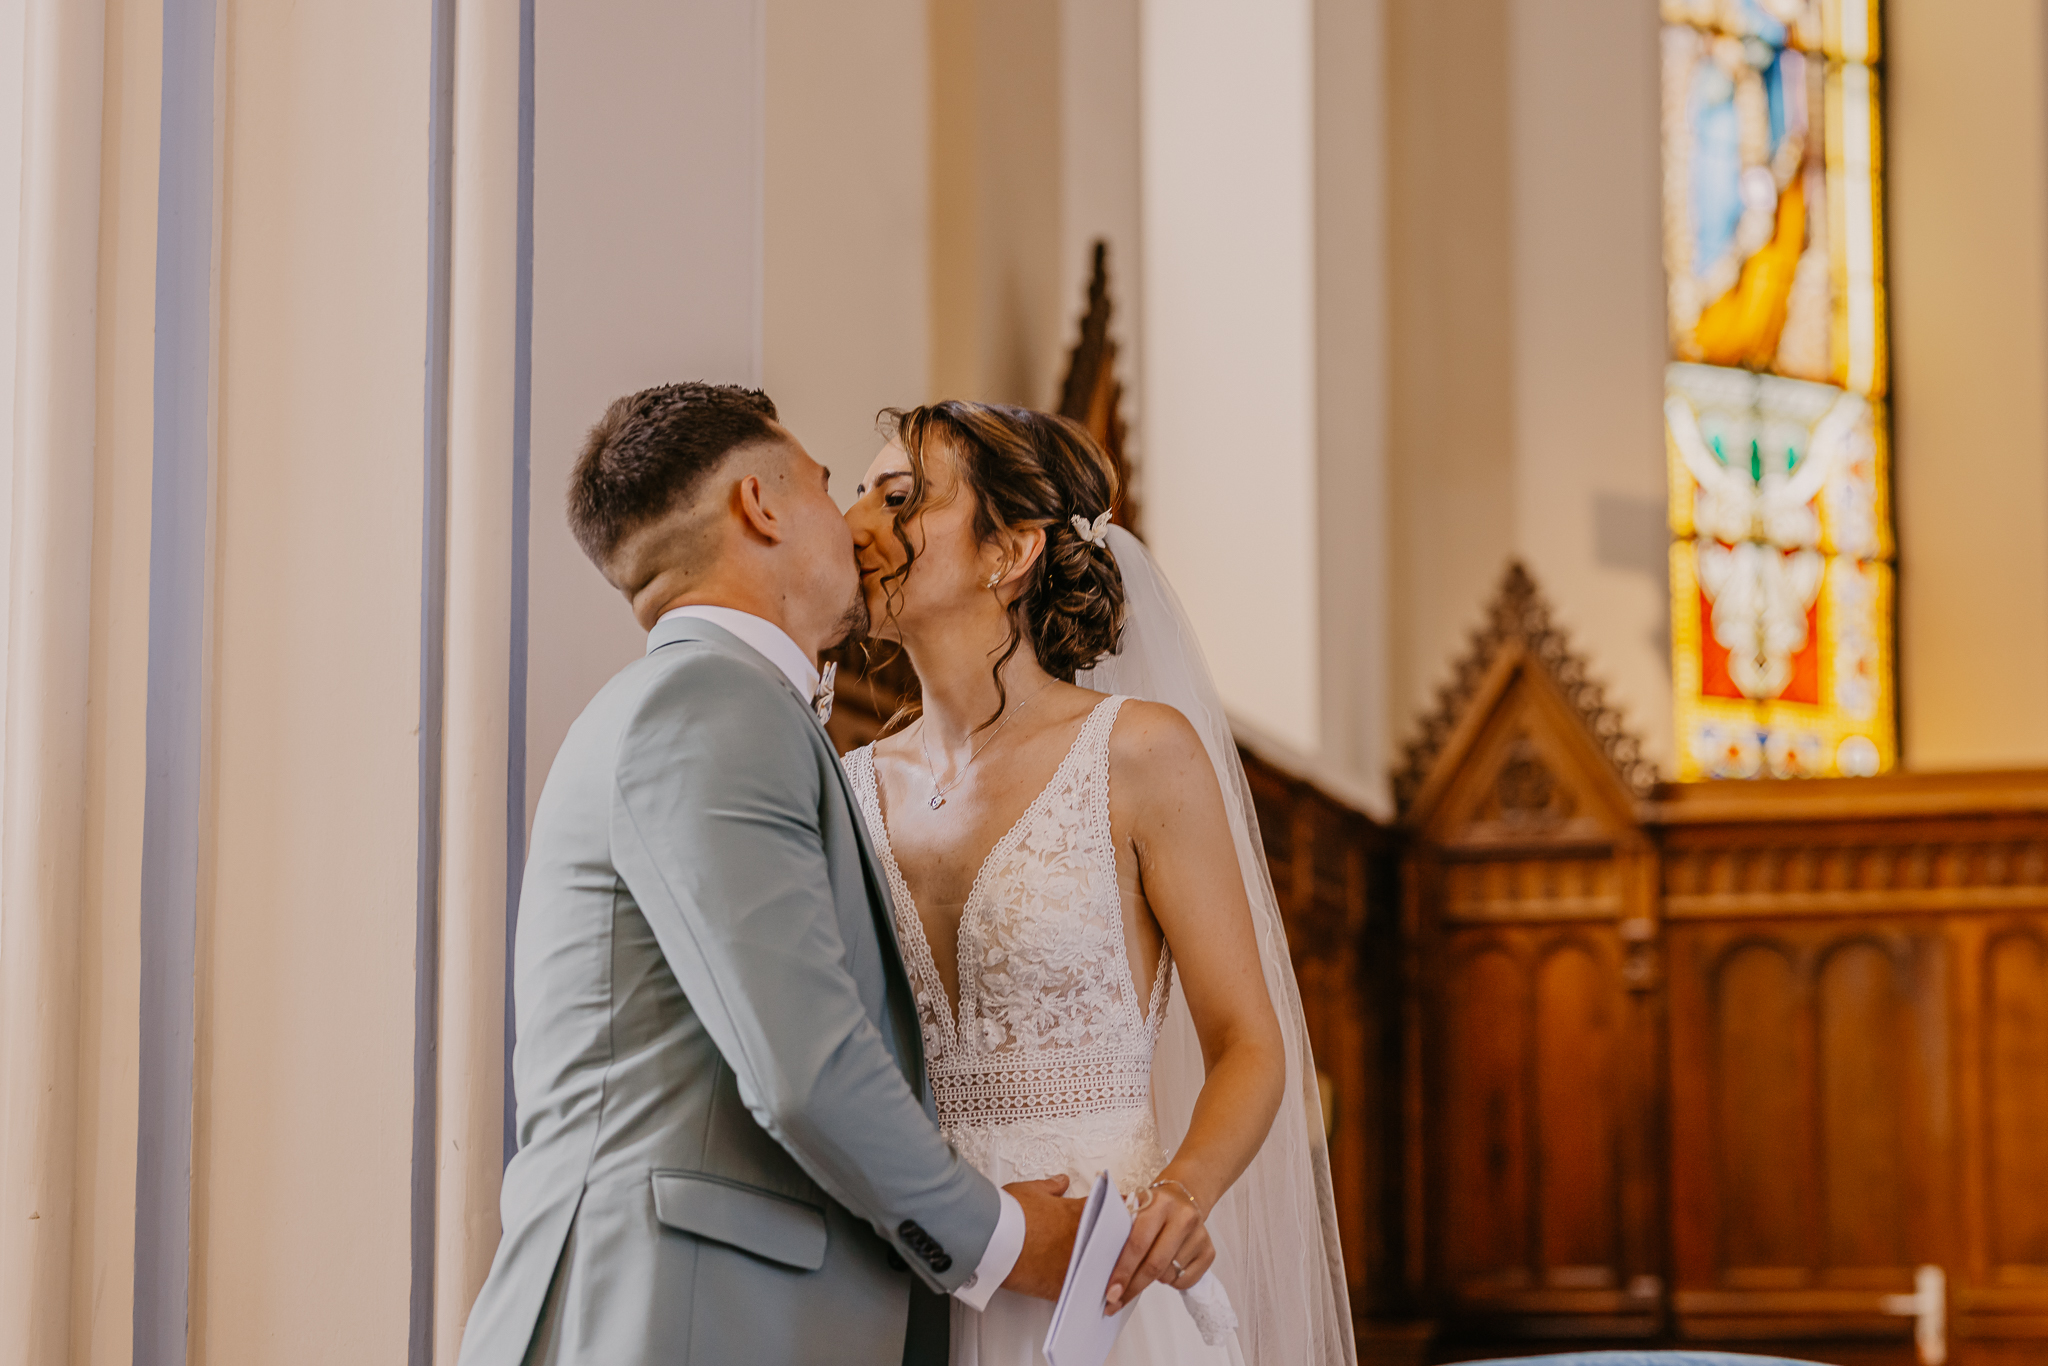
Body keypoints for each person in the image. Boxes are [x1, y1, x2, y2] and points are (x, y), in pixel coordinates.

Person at [456, 383, 1082, 1366]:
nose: (857, 525)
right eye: (831, 487)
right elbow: (806, 1068)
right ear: (760, 505)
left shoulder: (698, 703)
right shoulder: (713, 705)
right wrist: (1006, 1242)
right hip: (674, 1319)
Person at [841, 401, 1356, 1365]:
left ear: (1009, 552)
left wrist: (1183, 1193)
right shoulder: (848, 785)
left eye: (899, 498)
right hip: (915, 1269)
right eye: (857, 493)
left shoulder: (1138, 753)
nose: (854, 523)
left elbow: (1249, 1043)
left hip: (1102, 1274)